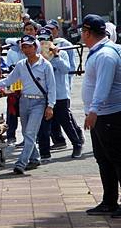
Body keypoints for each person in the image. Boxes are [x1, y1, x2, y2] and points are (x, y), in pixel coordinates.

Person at [0, 34, 55, 174]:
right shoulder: (21, 65)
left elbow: (52, 87)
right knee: (26, 132)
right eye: (24, 47)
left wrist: (50, 106)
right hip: (24, 101)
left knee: (30, 133)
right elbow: (9, 80)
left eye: (29, 46)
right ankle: (35, 158)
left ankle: (21, 163)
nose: (26, 49)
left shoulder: (45, 65)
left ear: (35, 47)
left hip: (39, 102)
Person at [80, 14, 121, 218]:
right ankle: (109, 201)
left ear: (87, 33)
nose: (81, 35)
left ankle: (113, 201)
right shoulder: (100, 51)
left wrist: (94, 110)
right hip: (102, 115)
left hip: (108, 115)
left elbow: (103, 86)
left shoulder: (105, 55)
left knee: (117, 159)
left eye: (83, 31)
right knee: (103, 159)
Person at [35, 28, 83, 160]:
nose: (43, 43)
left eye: (45, 40)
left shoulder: (61, 54)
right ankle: (44, 152)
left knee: (66, 122)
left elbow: (66, 69)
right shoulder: (37, 57)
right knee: (43, 125)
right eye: (40, 40)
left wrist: (55, 56)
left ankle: (77, 144)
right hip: (44, 95)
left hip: (60, 94)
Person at [4, 37, 23, 144]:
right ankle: (11, 136)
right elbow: (8, 41)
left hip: (28, 85)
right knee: (12, 112)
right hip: (15, 84)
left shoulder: (35, 49)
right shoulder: (12, 51)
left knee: (26, 113)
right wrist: (18, 42)